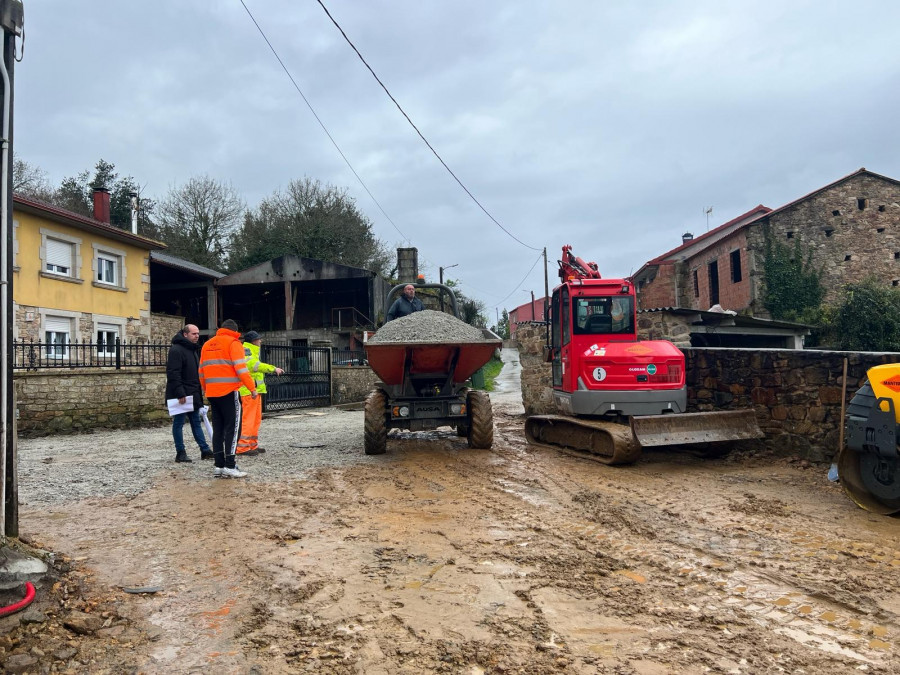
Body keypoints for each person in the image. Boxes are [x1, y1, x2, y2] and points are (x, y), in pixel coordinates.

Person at [199, 319, 257, 478]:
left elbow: (201, 372)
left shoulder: (207, 344)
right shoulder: (234, 343)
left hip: (212, 393)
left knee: (218, 429)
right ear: (235, 331)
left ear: (221, 329)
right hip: (229, 391)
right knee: (233, 428)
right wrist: (252, 388)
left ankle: (219, 465)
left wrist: (206, 389)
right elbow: (241, 369)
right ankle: (230, 465)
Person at [165, 324, 212, 463]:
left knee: (196, 422)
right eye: (194, 334)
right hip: (181, 395)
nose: (197, 336)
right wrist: (180, 393)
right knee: (178, 423)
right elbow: (173, 373)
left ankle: (205, 450)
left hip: (193, 393)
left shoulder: (192, 350)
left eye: (198, 333)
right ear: (185, 334)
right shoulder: (176, 350)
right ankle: (180, 453)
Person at [236, 331, 283, 457]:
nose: (260, 341)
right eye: (258, 339)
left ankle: (252, 444)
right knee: (249, 419)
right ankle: (243, 447)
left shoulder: (252, 350)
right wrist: (273, 368)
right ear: (253, 341)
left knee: (255, 419)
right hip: (248, 391)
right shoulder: (246, 349)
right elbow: (252, 365)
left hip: (254, 391)